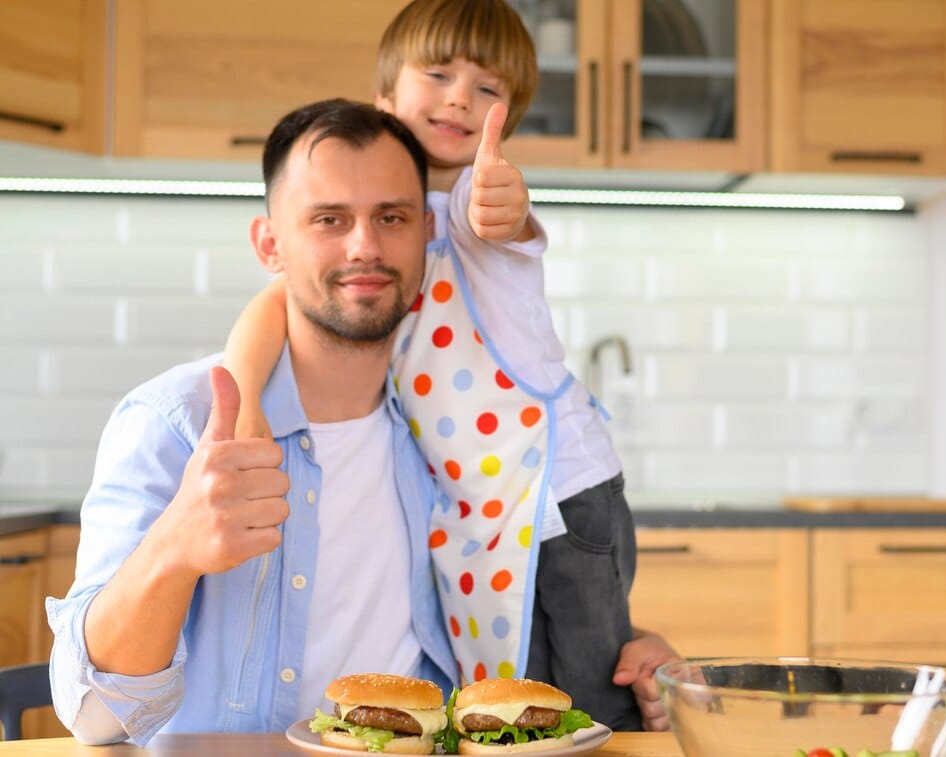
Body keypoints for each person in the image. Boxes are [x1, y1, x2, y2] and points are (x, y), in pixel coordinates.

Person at [221, 0, 678, 733]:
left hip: (560, 489)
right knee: (517, 711)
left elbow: (498, 214)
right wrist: (242, 418)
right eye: (438, 73)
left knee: (598, 699)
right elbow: (272, 304)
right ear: (385, 97)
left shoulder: (470, 201)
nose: (462, 97)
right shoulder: (387, 224)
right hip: (481, 509)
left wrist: (506, 199)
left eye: (489, 89)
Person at [47, 101, 458, 746]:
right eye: (329, 219)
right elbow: (94, 719)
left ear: (426, 232)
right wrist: (175, 550)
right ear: (271, 244)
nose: (366, 246)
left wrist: (631, 647)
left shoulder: (444, 430)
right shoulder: (176, 423)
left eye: (392, 217)